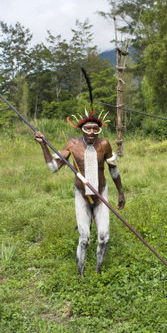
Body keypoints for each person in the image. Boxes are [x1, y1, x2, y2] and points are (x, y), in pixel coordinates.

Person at [34, 111, 125, 276]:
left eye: (95, 129)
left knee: (104, 237)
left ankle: (98, 270)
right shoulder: (72, 144)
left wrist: (120, 192)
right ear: (81, 129)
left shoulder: (104, 144)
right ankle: (80, 273)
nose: (91, 132)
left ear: (99, 130)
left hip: (100, 194)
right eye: (88, 129)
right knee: (84, 238)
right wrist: (44, 145)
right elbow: (54, 167)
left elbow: (113, 169)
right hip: (81, 194)